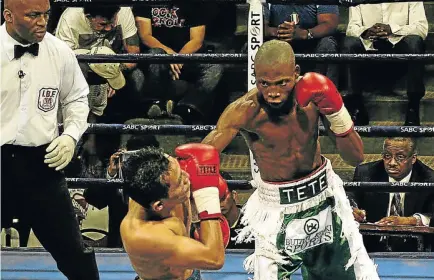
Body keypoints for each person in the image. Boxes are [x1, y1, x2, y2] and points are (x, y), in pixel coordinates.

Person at [202, 40, 379, 279]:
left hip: (324, 198)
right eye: (265, 84)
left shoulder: (315, 99)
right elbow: (203, 156)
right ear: (255, 77)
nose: (273, 92)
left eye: (282, 83)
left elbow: (356, 157)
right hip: (276, 209)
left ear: (296, 74)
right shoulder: (244, 111)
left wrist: (336, 112)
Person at [0, 0, 99, 279]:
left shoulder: (58, 51)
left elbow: (78, 97)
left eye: (45, 14)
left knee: (74, 253)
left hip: (41, 164)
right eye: (33, 15)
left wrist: (70, 136)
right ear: (8, 15)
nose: (42, 21)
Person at [120, 144, 230, 280]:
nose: (186, 176)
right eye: (179, 180)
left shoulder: (155, 184)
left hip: (189, 270)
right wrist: (206, 194)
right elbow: (214, 259)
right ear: (159, 205)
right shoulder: (144, 235)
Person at [133, 2, 223, 124]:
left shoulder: (195, 4)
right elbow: (145, 36)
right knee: (155, 53)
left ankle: (187, 107)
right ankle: (155, 104)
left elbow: (197, 40)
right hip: (157, 56)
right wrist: (169, 54)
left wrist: (178, 58)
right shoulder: (146, 2)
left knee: (215, 66)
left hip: (185, 57)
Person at [342, 2, 428, 126]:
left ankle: (413, 106)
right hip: (369, 48)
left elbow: (421, 28)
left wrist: (392, 29)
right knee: (349, 43)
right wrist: (366, 31)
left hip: (399, 47)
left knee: (415, 42)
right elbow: (351, 29)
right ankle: (357, 105)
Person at [350, 137, 434, 252]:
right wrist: (353, 209)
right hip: (371, 246)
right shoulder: (366, 173)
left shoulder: (428, 179)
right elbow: (350, 197)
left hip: (414, 249)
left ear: (413, 158)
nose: (392, 163)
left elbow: (432, 214)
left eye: (400, 157)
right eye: (387, 156)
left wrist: (411, 220)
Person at [263, 2, 339, 86]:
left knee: (327, 44)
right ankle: (258, 93)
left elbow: (329, 24)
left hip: (312, 46)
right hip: (278, 46)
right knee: (257, 44)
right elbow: (258, 25)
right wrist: (283, 32)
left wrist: (304, 34)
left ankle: (327, 92)